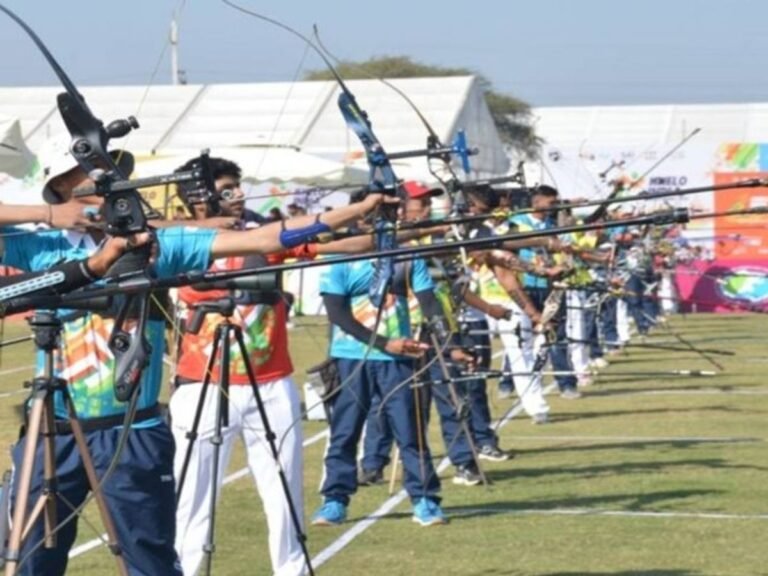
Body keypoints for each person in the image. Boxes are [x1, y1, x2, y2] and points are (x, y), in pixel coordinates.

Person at [0, 135, 389, 576]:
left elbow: (264, 238)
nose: (108, 186)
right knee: (32, 557)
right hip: (52, 433)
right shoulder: (39, 247)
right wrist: (49, 215)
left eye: (113, 177)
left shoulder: (157, 247)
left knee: (150, 561)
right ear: (62, 188)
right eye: (91, 179)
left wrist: (357, 210)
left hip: (134, 433)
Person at [170, 156, 381, 576]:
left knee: (283, 492)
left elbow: (343, 244)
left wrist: (375, 228)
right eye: (227, 190)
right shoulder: (175, 241)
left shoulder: (264, 237)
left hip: (270, 383)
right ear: (198, 199)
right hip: (202, 386)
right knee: (192, 497)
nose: (239, 196)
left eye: (237, 188)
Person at [312, 189, 455, 528]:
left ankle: (424, 500)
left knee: (410, 431)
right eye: (378, 213)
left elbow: (429, 302)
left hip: (399, 360)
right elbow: (337, 313)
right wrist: (384, 342)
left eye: (391, 213)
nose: (386, 220)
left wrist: (444, 339)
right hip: (350, 357)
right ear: (359, 216)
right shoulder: (340, 257)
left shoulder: (407, 256)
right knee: (344, 433)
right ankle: (335, 500)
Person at [510, 185, 580, 399]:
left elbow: (567, 253)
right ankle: (510, 382)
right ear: (537, 201)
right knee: (523, 337)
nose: (553, 207)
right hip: (526, 286)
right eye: (550, 203)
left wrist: (565, 267)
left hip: (552, 288)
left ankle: (566, 383)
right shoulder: (517, 224)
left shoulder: (553, 225)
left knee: (557, 334)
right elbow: (508, 255)